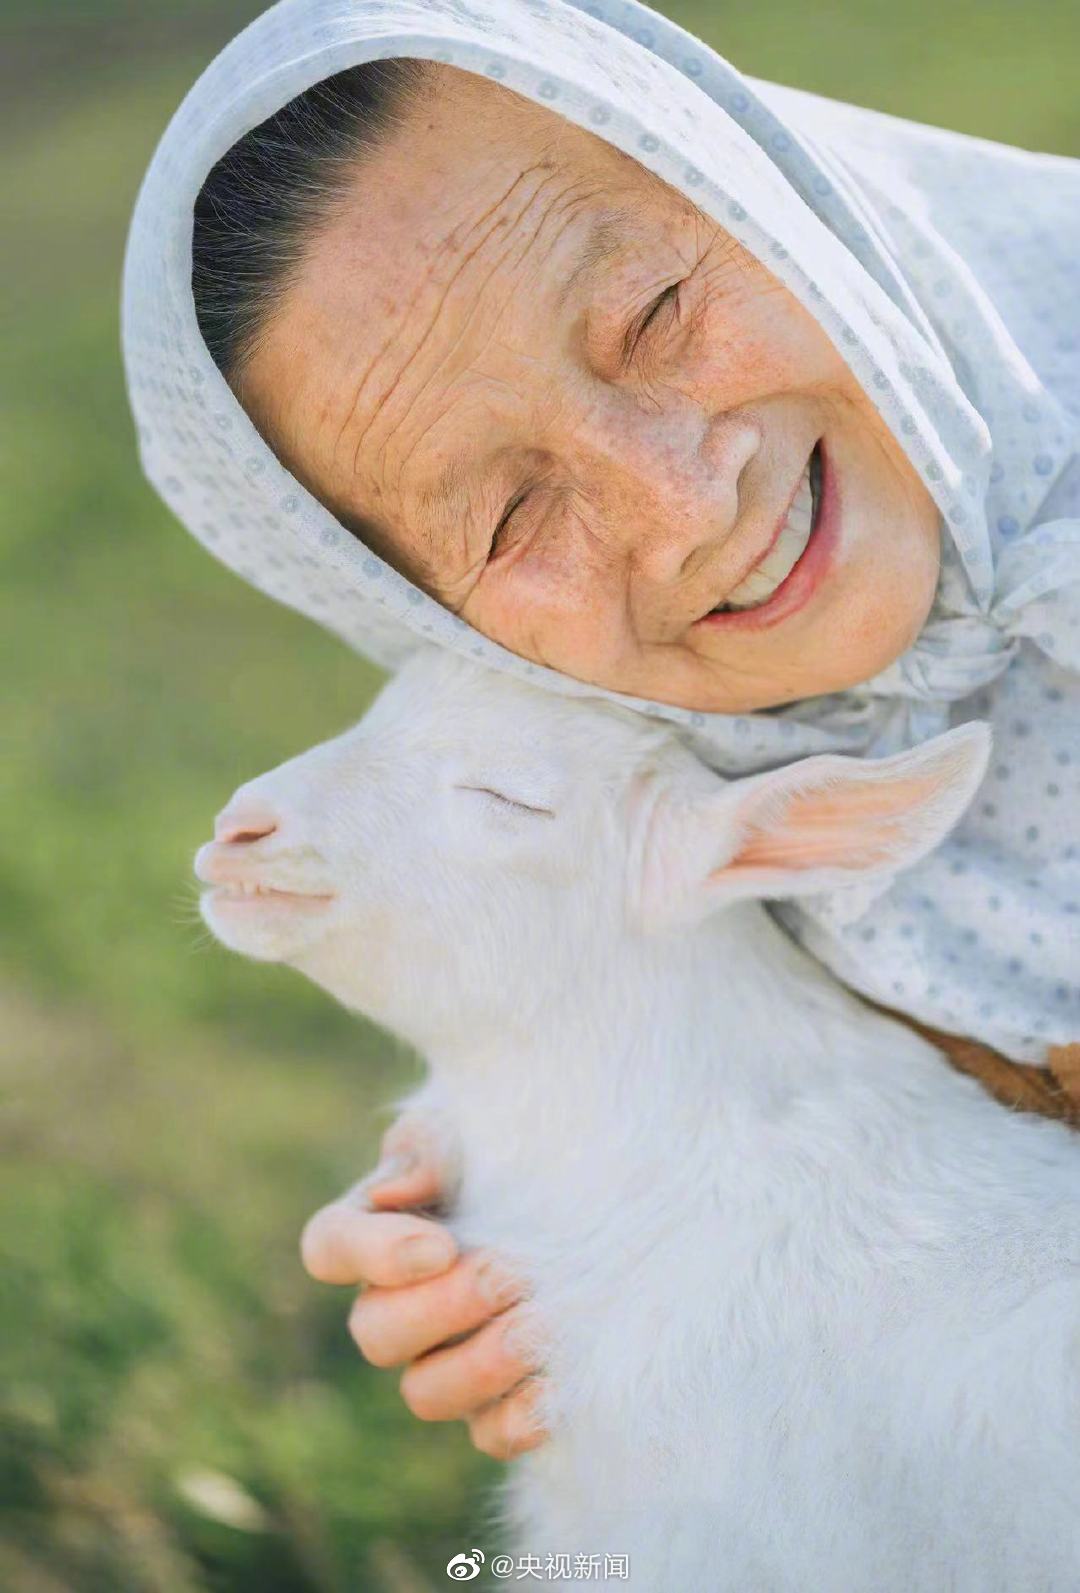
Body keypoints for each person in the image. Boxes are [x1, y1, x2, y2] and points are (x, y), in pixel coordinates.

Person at [122, 0, 1079, 1462]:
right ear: (433, 618)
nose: (687, 505)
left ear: (757, 186)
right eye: (508, 518)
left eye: (656, 316)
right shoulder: (674, 819)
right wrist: (534, 1209)